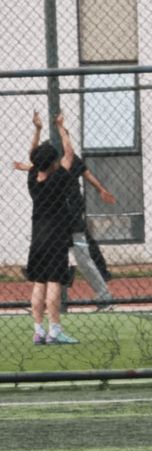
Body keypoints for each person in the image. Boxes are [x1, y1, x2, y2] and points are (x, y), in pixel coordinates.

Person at [16, 112, 116, 310]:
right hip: (56, 222)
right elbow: (38, 162)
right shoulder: (53, 169)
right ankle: (52, 300)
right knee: (52, 260)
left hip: (72, 218)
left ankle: (104, 298)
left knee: (83, 259)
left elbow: (84, 171)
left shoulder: (67, 164)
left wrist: (101, 189)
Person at [26, 113, 79, 344]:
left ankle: (38, 330)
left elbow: (33, 155)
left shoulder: (32, 178)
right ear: (53, 164)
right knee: (54, 281)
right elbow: (70, 154)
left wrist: (37, 130)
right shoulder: (58, 179)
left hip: (38, 237)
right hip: (56, 237)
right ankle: (55, 330)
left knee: (39, 282)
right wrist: (60, 127)